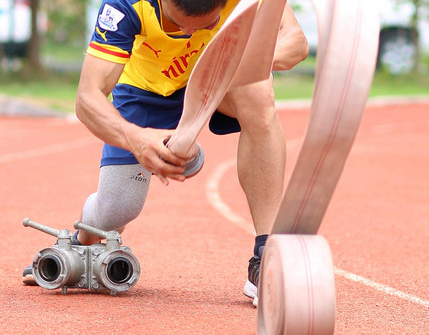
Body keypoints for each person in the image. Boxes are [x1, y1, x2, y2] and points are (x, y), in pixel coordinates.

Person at [23, 0, 308, 307]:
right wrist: (136, 139)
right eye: (177, 22)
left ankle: (266, 253)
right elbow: (87, 98)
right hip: (146, 91)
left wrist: (244, 63)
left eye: (204, 24)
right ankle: (81, 240)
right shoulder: (126, 5)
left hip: (222, 72)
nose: (188, 33)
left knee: (259, 94)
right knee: (116, 211)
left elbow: (295, 41)